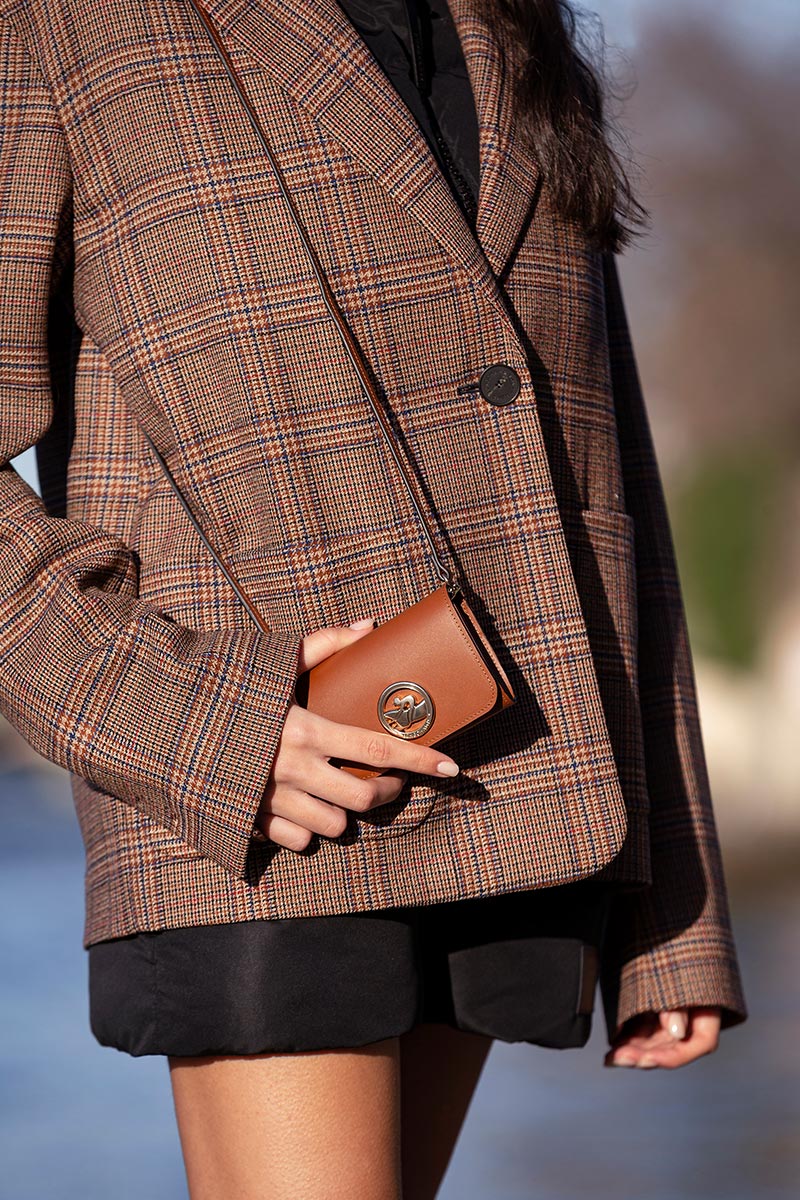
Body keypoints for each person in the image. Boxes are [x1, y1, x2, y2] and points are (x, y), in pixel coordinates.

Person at [0, 0, 747, 1197]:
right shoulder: (67, 19)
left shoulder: (510, 19)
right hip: (263, 798)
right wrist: (191, 720)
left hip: (524, 779)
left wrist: (673, 904)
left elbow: (599, 458)